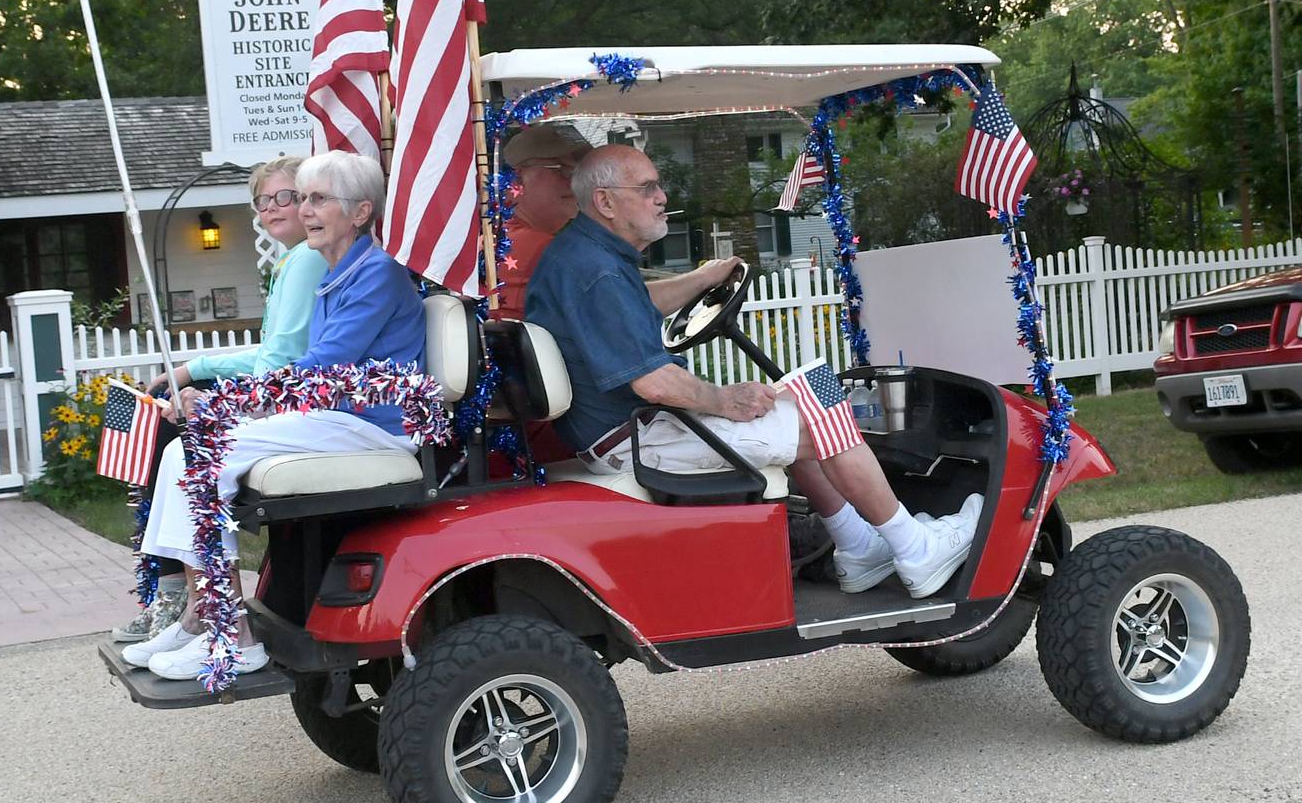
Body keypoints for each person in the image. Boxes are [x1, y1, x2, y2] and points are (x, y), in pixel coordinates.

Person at [525, 145, 982, 599]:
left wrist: (706, 278)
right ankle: (915, 547)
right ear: (605, 201)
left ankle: (857, 544)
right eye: (647, 188)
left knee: (803, 395)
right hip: (645, 437)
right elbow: (654, 382)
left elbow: (638, 303)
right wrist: (725, 400)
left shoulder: (583, 255)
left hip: (625, 429)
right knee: (825, 409)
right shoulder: (597, 273)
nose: (662, 196)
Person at [122, 150, 426, 680]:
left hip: (375, 427)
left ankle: (231, 635)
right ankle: (206, 616)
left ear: (360, 213)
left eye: (318, 199)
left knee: (197, 450)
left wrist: (218, 402)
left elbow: (319, 369)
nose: (305, 210)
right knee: (181, 451)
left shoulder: (375, 275)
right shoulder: (340, 273)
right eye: (302, 198)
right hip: (339, 419)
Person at [111, 156, 327, 643]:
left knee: (176, 431)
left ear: (312, 199)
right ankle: (178, 589)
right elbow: (273, 351)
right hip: (287, 383)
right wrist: (195, 369)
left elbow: (279, 359)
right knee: (170, 418)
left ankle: (180, 594)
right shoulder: (293, 259)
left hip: (298, 392)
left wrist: (204, 383)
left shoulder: (307, 260)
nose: (272, 209)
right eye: (262, 201)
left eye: (285, 197)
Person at [493, 124, 590, 319]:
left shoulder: (497, 237)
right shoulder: (544, 248)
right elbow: (616, 308)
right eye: (562, 171)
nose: (575, 183)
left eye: (580, 173)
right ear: (518, 180)